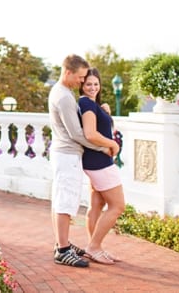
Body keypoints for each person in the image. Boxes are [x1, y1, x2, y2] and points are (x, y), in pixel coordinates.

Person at [48, 55, 120, 267]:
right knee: (65, 203)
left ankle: (63, 244)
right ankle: (62, 250)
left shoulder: (64, 93)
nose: (82, 82)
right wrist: (107, 146)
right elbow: (79, 134)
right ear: (68, 72)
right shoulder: (63, 97)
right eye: (80, 78)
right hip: (68, 154)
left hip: (67, 154)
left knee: (62, 200)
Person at [79, 68, 126, 265]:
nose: (92, 87)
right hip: (100, 163)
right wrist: (112, 144)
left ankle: (93, 247)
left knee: (97, 205)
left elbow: (97, 127)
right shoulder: (86, 103)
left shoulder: (91, 105)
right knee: (117, 206)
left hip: (95, 161)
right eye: (88, 84)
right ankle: (94, 246)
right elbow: (90, 134)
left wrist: (103, 111)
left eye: (96, 84)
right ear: (81, 85)